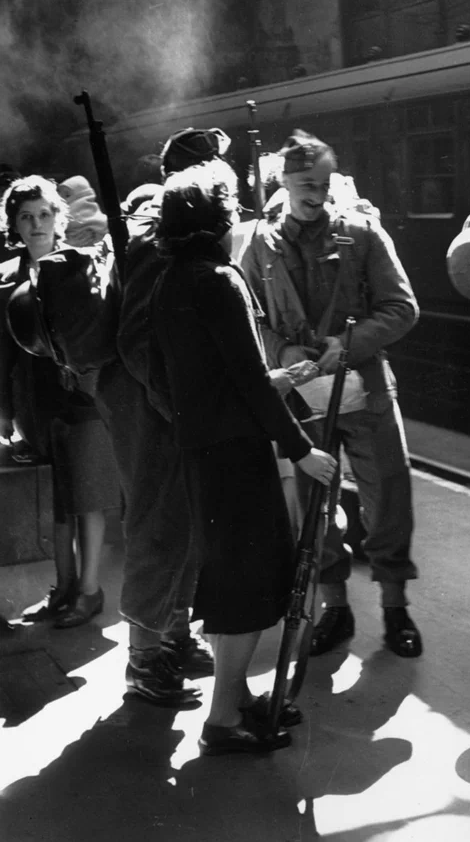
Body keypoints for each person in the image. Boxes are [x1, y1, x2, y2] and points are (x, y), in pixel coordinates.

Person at [150, 160, 337, 754]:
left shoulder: (168, 281)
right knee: (252, 587)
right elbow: (250, 382)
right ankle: (223, 718)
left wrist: (252, 389)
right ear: (219, 222)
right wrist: (302, 450)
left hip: (205, 454)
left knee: (235, 579)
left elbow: (180, 378)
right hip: (239, 457)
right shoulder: (221, 279)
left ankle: (239, 699)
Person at [242, 130, 423, 658]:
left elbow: (402, 308)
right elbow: (250, 319)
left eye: (322, 183)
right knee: (314, 507)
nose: (316, 194)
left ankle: (395, 610)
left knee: (388, 499)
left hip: (364, 391)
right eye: (305, 184)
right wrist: (280, 354)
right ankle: (334, 609)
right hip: (304, 401)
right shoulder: (258, 244)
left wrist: (347, 343)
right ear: (282, 181)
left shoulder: (362, 235)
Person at [93, 128, 234, 705]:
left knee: (184, 519)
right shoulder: (158, 230)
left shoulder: (167, 221)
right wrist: (173, 406)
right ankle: (144, 661)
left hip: (158, 397)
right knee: (158, 522)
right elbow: (136, 337)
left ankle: (172, 636)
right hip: (146, 401)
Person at [0, 175, 120, 627]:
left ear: (59, 217)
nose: (36, 225)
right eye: (26, 217)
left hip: (84, 400)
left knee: (88, 495)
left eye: (45, 215)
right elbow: (3, 353)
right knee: (58, 500)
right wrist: (6, 412)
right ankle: (64, 587)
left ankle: (89, 591)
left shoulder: (80, 265)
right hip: (37, 404)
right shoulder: (6, 276)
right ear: (14, 223)